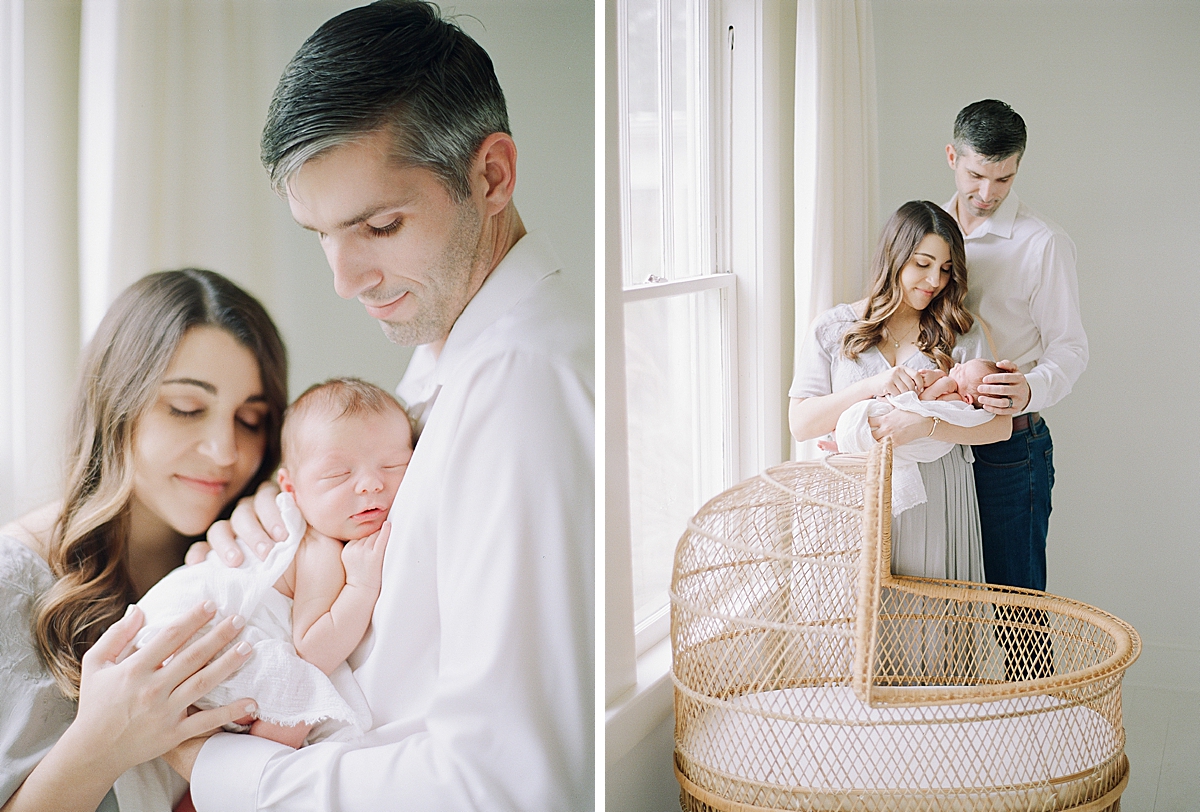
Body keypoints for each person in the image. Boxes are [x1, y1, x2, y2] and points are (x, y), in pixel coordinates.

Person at [175, 3, 594, 810]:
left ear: (492, 176)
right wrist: (292, 541)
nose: (345, 279)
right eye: (320, 234)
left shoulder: (523, 391)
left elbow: (505, 785)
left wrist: (212, 766)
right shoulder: (444, 364)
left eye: (380, 224)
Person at [0, 268, 289, 811]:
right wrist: (101, 746)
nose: (226, 451)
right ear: (116, 402)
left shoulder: (241, 559)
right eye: (186, 409)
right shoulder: (13, 583)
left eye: (251, 420)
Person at [135, 378, 413, 750]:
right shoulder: (319, 549)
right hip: (195, 636)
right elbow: (313, 648)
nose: (370, 484)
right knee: (296, 693)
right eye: (338, 475)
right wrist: (361, 588)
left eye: (394, 465)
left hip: (163, 630)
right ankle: (266, 757)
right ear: (291, 488)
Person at [789, 200, 1012, 583]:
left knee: (920, 620)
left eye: (944, 269)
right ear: (893, 258)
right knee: (856, 622)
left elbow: (998, 428)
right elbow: (801, 424)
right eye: (921, 265)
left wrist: (924, 427)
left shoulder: (960, 330)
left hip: (933, 496)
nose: (933, 282)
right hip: (851, 497)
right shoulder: (832, 327)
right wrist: (871, 386)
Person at [942, 99, 1087, 598]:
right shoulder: (926, 230)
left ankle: (1034, 684)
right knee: (935, 609)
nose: (988, 193)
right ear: (952, 158)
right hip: (931, 441)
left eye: (1003, 179)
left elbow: (1070, 348)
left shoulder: (1043, 243)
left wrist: (1027, 391)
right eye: (978, 175)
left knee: (1016, 612)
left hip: (1010, 447)